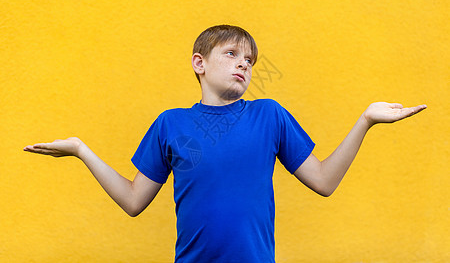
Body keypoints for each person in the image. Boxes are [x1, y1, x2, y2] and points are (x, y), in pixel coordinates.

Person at [24, 25, 427, 262]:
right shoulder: (172, 125)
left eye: (249, 61)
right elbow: (133, 201)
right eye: (232, 54)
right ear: (199, 63)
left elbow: (323, 180)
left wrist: (365, 121)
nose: (243, 65)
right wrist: (80, 149)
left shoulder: (269, 116)